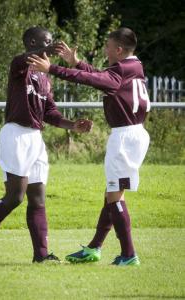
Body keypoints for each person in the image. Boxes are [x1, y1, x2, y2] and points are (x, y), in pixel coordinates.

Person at [0, 26, 93, 265]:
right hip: (16, 136)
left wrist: (72, 125)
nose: (52, 45)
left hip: (35, 138)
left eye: (52, 42)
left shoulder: (45, 76)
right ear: (33, 42)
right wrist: (46, 50)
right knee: (15, 197)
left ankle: (41, 256)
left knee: (38, 199)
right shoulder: (19, 66)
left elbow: (50, 112)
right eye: (47, 41)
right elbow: (24, 59)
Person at [28, 27, 150, 266]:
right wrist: (77, 62)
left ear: (118, 49)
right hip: (135, 134)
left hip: (125, 138)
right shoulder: (133, 67)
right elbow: (101, 76)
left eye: (107, 45)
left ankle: (128, 254)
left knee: (115, 197)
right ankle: (95, 247)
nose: (105, 49)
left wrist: (52, 68)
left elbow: (92, 79)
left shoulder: (122, 70)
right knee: (111, 195)